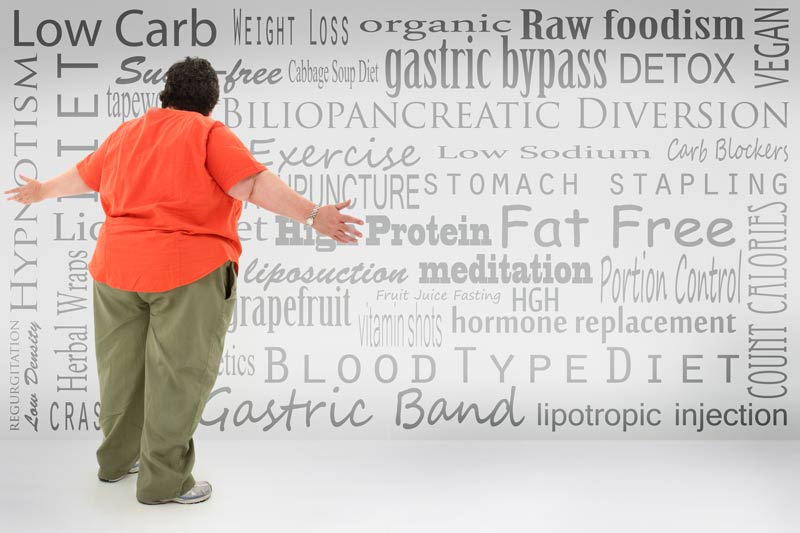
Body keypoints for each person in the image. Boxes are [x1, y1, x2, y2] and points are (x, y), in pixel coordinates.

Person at [4, 56, 364, 505]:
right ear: (210, 104)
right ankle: (164, 483)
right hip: (186, 273)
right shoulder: (208, 133)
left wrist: (41, 191)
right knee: (178, 375)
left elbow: (85, 177)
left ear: (165, 93)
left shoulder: (126, 134)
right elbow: (249, 185)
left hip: (114, 271)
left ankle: (116, 461)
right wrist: (313, 215)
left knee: (120, 370)